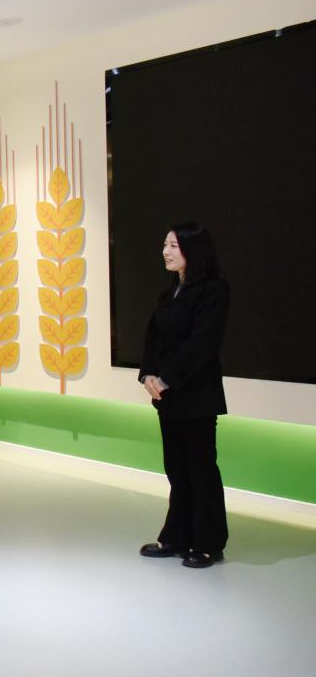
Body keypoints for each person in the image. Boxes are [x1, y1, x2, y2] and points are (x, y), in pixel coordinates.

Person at [138, 223, 230, 569]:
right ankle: (177, 537)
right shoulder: (170, 292)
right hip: (169, 397)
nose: (166, 252)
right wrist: (148, 374)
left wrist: (167, 379)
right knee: (176, 468)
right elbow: (153, 337)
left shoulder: (214, 290)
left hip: (197, 396)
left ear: (194, 249)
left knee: (200, 469)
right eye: (165, 244)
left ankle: (208, 543)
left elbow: (202, 343)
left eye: (173, 245)